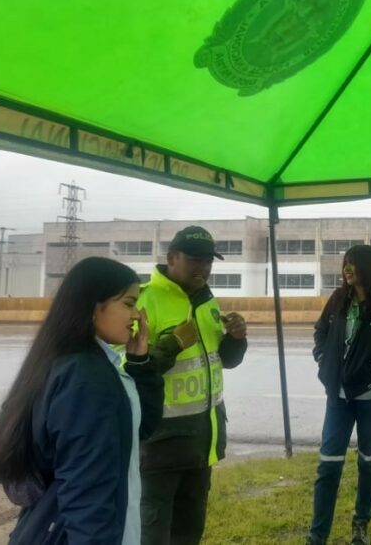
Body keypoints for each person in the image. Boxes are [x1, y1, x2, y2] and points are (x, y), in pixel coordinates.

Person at [0, 257, 164, 544]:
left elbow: (134, 430)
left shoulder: (70, 361)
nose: (137, 316)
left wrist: (139, 361)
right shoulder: (87, 379)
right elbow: (88, 490)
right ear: (94, 306)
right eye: (128, 304)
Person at [138, 225, 248, 545]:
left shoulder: (205, 301)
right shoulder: (146, 301)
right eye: (195, 259)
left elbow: (223, 362)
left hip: (202, 443)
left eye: (209, 261)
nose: (204, 267)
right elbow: (125, 372)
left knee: (189, 534)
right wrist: (171, 343)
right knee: (153, 536)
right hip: (160, 448)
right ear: (172, 258)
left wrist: (236, 339)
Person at [307, 244, 371, 545]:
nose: (347, 269)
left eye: (353, 264)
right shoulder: (339, 299)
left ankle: (360, 525)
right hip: (338, 398)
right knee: (328, 465)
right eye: (345, 263)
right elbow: (320, 331)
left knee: (368, 460)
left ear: (370, 268)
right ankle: (317, 537)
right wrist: (323, 358)